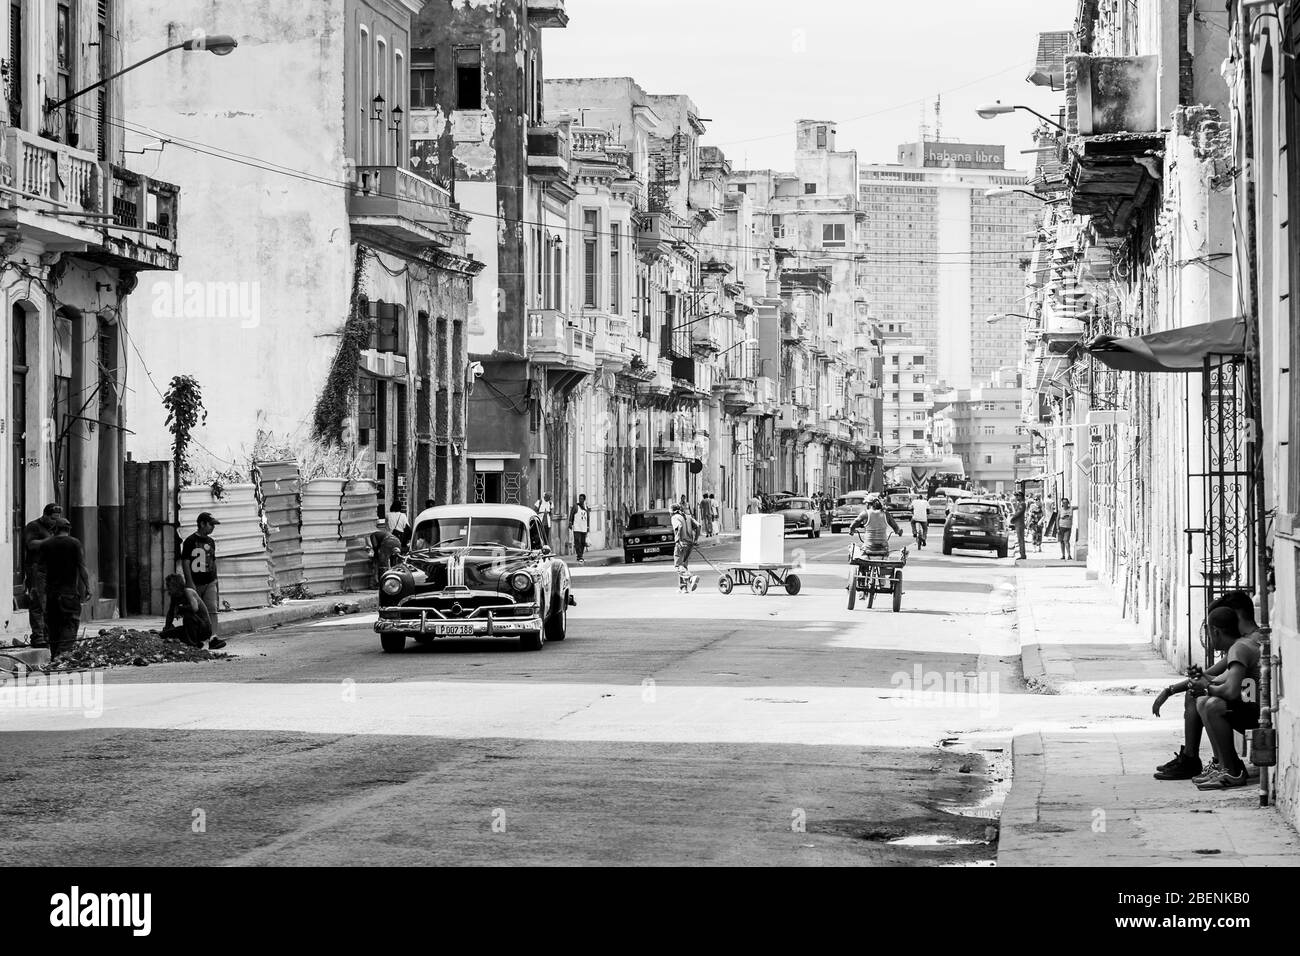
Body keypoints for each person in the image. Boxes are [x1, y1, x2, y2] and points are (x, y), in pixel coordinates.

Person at [1152, 595, 1262, 789]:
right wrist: (1173, 689)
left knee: (1208, 702)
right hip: (1248, 699)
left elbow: (1228, 686)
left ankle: (1227, 767)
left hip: (1251, 704)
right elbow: (1215, 675)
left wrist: (1205, 686)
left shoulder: (1243, 645)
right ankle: (1204, 760)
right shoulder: (1242, 644)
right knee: (1198, 695)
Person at [36, 518, 89, 658]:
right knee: (70, 624)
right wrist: (88, 587)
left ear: (55, 529)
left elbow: (40, 570)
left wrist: (39, 590)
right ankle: (62, 654)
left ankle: (55, 656)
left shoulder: (46, 544)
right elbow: (82, 567)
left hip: (52, 594)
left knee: (54, 626)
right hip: (69, 594)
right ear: (68, 529)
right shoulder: (75, 543)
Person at [21, 503, 63, 648]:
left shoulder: (57, 528)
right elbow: (31, 544)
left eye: (57, 519)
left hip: (51, 570)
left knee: (51, 604)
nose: (54, 522)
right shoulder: (34, 526)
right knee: (38, 603)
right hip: (36, 569)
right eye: (52, 519)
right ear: (45, 516)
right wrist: (50, 541)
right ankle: (38, 636)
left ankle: (47, 635)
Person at [181, 511, 223, 646]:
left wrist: (216, 581)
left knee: (212, 609)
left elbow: (213, 562)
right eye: (211, 525)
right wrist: (189, 582)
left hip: (210, 581)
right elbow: (185, 562)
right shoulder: (190, 541)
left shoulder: (211, 542)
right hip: (196, 582)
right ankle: (196, 638)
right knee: (196, 611)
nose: (213, 527)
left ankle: (213, 638)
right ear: (202, 524)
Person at [161, 573, 214, 649]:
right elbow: (170, 614)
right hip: (191, 628)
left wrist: (180, 608)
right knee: (167, 634)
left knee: (188, 615)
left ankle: (193, 644)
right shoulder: (174, 596)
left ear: (176, 585)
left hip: (204, 628)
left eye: (169, 586)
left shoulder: (188, 592)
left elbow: (194, 608)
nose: (168, 588)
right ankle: (193, 641)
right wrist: (167, 627)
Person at [670, 502, 701, 592]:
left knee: (678, 565)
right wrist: (695, 540)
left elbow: (678, 526)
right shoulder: (688, 516)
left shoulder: (675, 517)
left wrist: (678, 540)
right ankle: (683, 587)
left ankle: (691, 578)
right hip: (690, 544)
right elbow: (698, 526)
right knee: (683, 565)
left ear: (672, 511)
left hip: (682, 543)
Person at [569, 493, 591, 564]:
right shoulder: (576, 506)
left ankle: (580, 555)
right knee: (577, 541)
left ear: (584, 500)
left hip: (584, 527)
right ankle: (579, 556)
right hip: (577, 527)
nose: (580, 500)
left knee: (582, 542)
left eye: (582, 499)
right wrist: (570, 523)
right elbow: (571, 514)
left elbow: (588, 517)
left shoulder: (586, 507)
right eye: (579, 498)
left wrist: (588, 526)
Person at [1010, 492, 1027, 560]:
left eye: (1017, 496)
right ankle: (1022, 554)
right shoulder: (1019, 504)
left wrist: (1013, 518)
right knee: (1019, 539)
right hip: (1018, 523)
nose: (1016, 497)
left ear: (1021, 496)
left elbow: (1019, 513)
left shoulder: (1022, 504)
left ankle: (1022, 554)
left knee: (1021, 539)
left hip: (1020, 523)